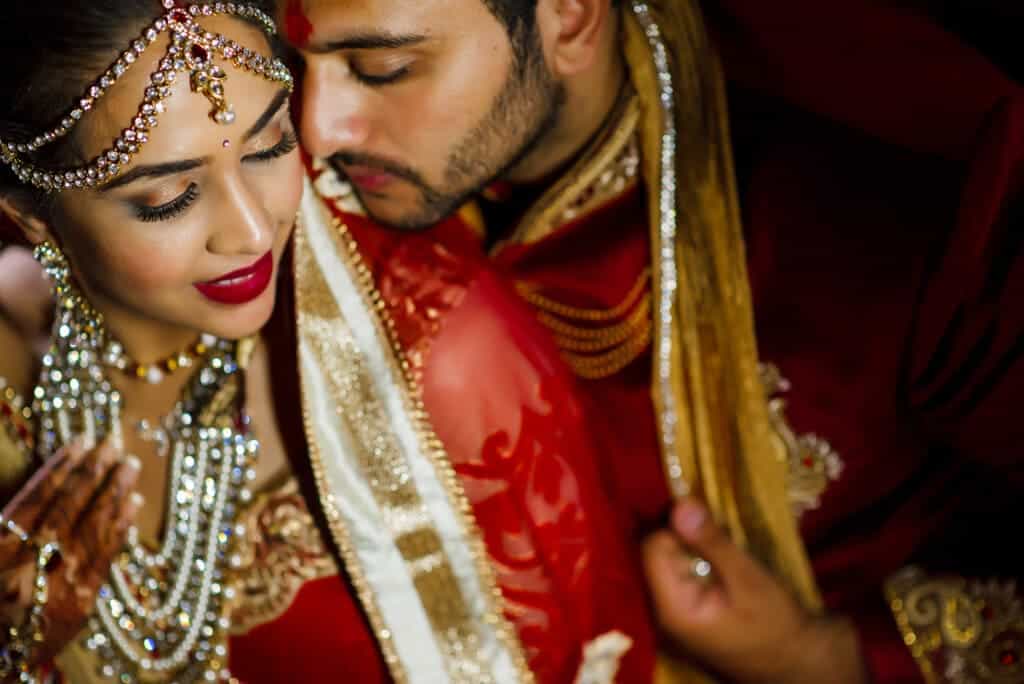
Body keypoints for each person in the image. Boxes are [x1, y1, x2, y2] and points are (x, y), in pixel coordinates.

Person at [286, 0, 1024, 681]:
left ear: (569, 19)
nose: (319, 129)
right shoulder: (279, 177)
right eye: (297, 65)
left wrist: (821, 655)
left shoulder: (908, 196)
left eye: (384, 69)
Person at [0, 1, 655, 682]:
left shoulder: (438, 353)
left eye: (271, 146)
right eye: (169, 197)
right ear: (32, 218)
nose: (252, 231)